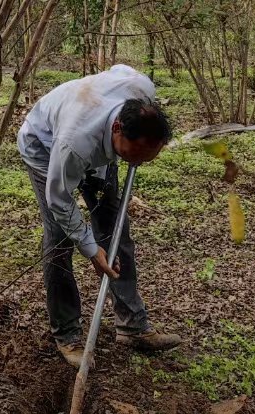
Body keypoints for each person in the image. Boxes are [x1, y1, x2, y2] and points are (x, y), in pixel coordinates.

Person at [17, 63, 182, 366]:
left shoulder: (142, 90)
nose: (139, 163)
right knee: (60, 240)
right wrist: (92, 249)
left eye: (148, 157)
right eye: (136, 155)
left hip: (101, 151)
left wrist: (130, 155)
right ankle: (67, 335)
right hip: (43, 146)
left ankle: (132, 325)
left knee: (117, 228)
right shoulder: (73, 143)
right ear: (118, 129)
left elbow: (118, 68)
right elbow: (59, 199)